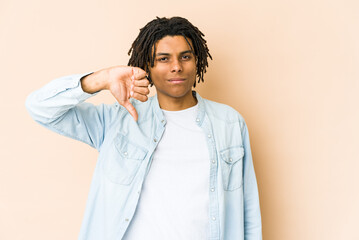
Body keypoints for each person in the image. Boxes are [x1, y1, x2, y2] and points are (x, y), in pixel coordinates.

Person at [26, 16, 262, 240]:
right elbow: (40, 108)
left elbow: (248, 209)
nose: (176, 67)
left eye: (185, 57)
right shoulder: (118, 121)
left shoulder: (229, 123)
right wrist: (103, 79)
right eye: (163, 58)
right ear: (147, 66)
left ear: (197, 60)